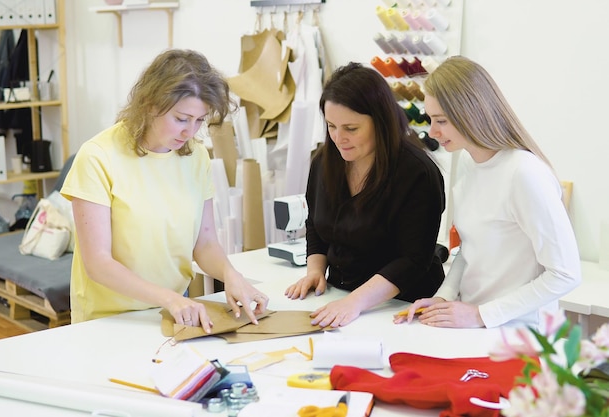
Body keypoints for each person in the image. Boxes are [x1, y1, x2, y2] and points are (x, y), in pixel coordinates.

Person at [61, 49, 268, 331]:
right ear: (149, 104)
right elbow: (98, 263)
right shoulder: (98, 156)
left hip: (173, 309)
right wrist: (169, 299)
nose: (190, 132)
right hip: (108, 318)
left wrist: (230, 274)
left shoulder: (195, 156)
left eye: (199, 121)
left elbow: (204, 243)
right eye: (182, 119)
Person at [394, 55, 581, 329]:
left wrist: (482, 315)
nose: (432, 131)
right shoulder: (470, 162)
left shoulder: (524, 173)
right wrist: (444, 298)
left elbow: (566, 274)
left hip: (517, 333)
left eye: (441, 121)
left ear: (471, 112)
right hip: (472, 325)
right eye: (430, 119)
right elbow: (470, 248)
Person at [284, 62, 446, 328]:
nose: (338, 138)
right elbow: (315, 223)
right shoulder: (325, 162)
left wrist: (354, 303)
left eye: (351, 128)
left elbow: (412, 260)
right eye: (331, 126)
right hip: (341, 295)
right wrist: (314, 271)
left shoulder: (417, 173)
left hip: (403, 306)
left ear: (380, 122)